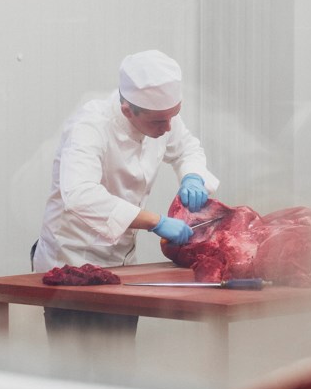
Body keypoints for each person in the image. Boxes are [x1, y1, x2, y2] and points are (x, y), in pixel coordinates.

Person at [31, 50, 219, 365]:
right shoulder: (90, 125)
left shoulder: (161, 116)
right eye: (159, 121)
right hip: (71, 258)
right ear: (127, 110)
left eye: (173, 115)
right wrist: (154, 221)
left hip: (121, 263)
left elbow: (187, 148)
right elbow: (79, 193)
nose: (168, 127)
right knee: (75, 367)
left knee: (119, 364)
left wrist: (193, 176)